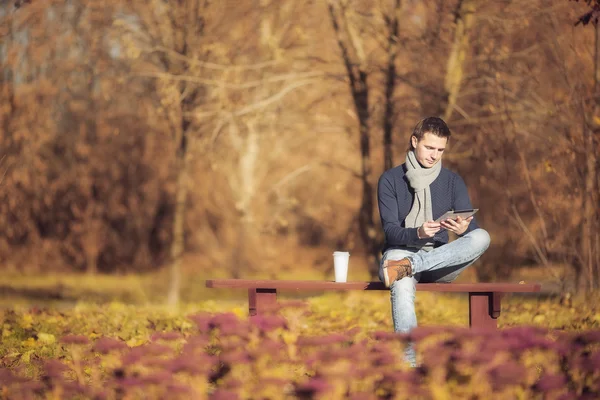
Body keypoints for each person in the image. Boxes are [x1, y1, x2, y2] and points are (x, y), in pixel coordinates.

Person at [377, 116, 490, 367]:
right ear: (414, 141)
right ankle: (410, 368)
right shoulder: (390, 180)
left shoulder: (452, 181)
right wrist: (417, 233)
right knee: (402, 284)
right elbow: (390, 231)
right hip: (399, 251)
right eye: (429, 148)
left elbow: (471, 229)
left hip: (437, 260)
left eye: (440, 150)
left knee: (482, 236)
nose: (434, 155)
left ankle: (412, 264)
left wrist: (462, 228)